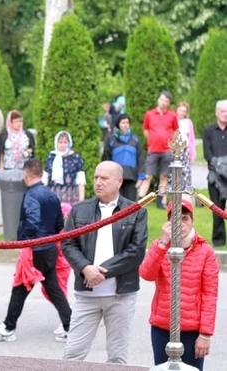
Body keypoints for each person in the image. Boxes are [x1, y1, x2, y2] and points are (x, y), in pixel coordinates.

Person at [61, 161, 148, 364]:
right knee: (72, 354)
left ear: (119, 181)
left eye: (104, 178)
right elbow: (68, 244)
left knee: (117, 357)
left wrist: (100, 273)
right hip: (86, 294)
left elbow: (136, 251)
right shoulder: (80, 210)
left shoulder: (135, 211)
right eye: (96, 177)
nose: (98, 182)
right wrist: (84, 268)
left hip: (121, 295)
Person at [0, 159, 71, 343]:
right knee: (54, 289)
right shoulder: (52, 195)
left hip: (35, 251)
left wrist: (23, 240)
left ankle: (8, 327)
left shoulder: (31, 195)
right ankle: (70, 326)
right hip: (50, 248)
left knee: (20, 287)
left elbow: (32, 219)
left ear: (26, 174)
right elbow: (59, 225)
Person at [139, 199, 218, 370]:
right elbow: (146, 274)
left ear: (192, 221)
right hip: (162, 327)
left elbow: (210, 294)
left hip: (192, 330)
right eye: (175, 218)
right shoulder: (160, 246)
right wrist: (162, 244)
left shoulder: (205, 251)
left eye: (185, 219)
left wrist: (205, 334)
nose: (180, 223)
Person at [139, 90, 179, 209]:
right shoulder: (149, 114)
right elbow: (145, 129)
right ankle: (141, 200)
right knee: (148, 175)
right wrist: (151, 140)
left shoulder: (172, 115)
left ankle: (160, 201)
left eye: (166, 101)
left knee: (164, 176)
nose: (163, 102)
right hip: (153, 150)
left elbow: (176, 131)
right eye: (162, 99)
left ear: (168, 103)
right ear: (158, 100)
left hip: (167, 151)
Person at [102, 113, 145, 201]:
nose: (125, 125)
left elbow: (140, 158)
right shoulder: (111, 139)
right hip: (115, 176)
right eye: (123, 123)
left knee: (130, 204)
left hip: (131, 176)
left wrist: (141, 177)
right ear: (118, 124)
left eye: (127, 123)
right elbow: (106, 158)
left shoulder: (135, 140)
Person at [203, 100, 227, 246]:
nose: (225, 114)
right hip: (214, 176)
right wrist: (218, 164)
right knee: (216, 208)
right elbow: (207, 153)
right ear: (217, 113)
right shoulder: (209, 131)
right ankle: (219, 240)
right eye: (223, 111)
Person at [43, 131, 86, 205]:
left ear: (69, 143)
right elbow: (45, 178)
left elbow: (81, 180)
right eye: (60, 142)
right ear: (56, 143)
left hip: (71, 196)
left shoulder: (76, 157)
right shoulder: (51, 157)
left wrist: (81, 199)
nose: (63, 145)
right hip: (53, 194)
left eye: (65, 142)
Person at [173, 101, 196, 191]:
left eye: (184, 111)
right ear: (176, 110)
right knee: (175, 171)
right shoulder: (173, 120)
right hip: (175, 149)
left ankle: (186, 191)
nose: (182, 113)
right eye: (180, 110)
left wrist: (192, 153)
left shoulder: (188, 122)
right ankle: (175, 190)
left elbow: (192, 139)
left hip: (185, 149)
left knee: (185, 171)